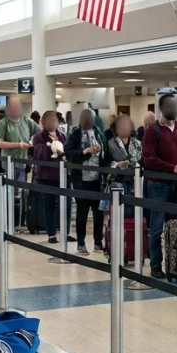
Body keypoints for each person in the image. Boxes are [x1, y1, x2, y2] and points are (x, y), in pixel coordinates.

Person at [141, 94, 177, 279]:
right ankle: (156, 265)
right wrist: (172, 168)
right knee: (157, 228)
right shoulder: (152, 131)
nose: (174, 108)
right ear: (162, 108)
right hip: (158, 185)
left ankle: (176, 264)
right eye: (170, 105)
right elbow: (149, 159)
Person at [0, 97, 41, 231]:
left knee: (20, 194)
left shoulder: (26, 121)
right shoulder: (3, 124)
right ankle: (9, 223)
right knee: (10, 194)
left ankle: (19, 222)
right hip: (9, 163)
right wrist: (18, 144)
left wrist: (32, 139)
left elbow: (39, 132)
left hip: (22, 163)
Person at [67, 108, 106, 254]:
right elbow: (69, 153)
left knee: (98, 213)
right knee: (82, 213)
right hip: (81, 180)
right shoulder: (75, 134)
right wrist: (86, 152)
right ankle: (81, 243)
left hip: (97, 180)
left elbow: (105, 154)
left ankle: (98, 242)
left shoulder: (99, 133)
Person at [31, 111, 65, 243]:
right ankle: (51, 233)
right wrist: (51, 148)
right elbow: (38, 153)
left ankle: (65, 231)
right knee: (49, 205)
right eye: (49, 120)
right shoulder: (39, 137)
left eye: (54, 119)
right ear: (43, 122)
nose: (52, 122)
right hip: (46, 177)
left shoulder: (62, 136)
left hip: (61, 176)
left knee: (64, 205)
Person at [102, 113, 141, 197]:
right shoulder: (110, 143)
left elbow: (141, 160)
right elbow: (106, 162)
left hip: (135, 183)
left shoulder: (137, 143)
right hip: (117, 182)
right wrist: (117, 165)